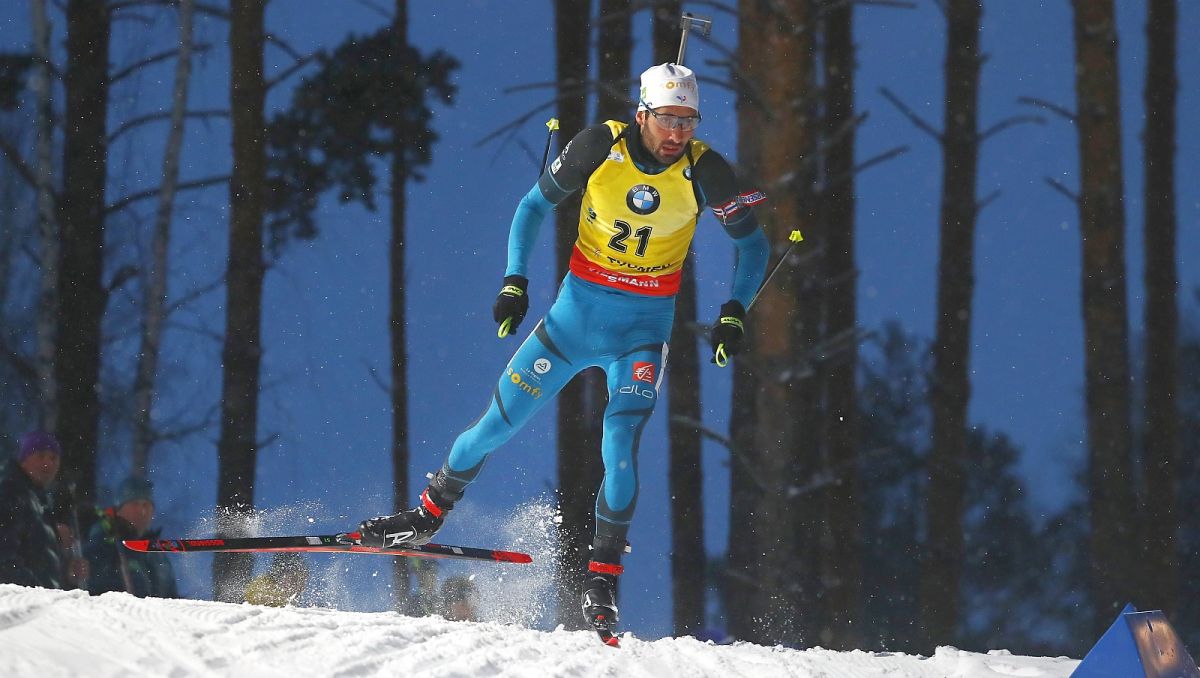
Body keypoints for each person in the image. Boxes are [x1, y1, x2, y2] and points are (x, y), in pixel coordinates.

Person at [359, 63, 769, 635]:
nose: (678, 133)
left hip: (642, 334)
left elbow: (754, 246)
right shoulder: (600, 145)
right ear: (642, 113)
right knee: (493, 427)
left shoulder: (708, 172)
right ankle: (425, 517)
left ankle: (602, 576)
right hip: (572, 322)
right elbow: (532, 206)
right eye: (668, 119)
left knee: (619, 445)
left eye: (689, 120)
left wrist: (733, 312)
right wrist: (513, 281)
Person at [0, 431, 88, 589]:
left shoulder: (41, 502)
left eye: (54, 458)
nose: (48, 463)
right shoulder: (10, 491)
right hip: (19, 606)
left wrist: (66, 573)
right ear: (24, 460)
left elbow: (38, 560)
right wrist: (31, 590)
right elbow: (5, 555)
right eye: (40, 456)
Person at [85, 476, 178, 598]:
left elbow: (172, 597)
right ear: (119, 510)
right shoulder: (103, 538)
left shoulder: (157, 553)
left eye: (146, 505)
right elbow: (89, 579)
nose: (141, 511)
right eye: (135, 504)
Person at [244, 552, 310, 607]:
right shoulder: (263, 585)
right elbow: (251, 599)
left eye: (297, 579)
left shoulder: (295, 594)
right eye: (293, 578)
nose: (292, 583)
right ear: (279, 575)